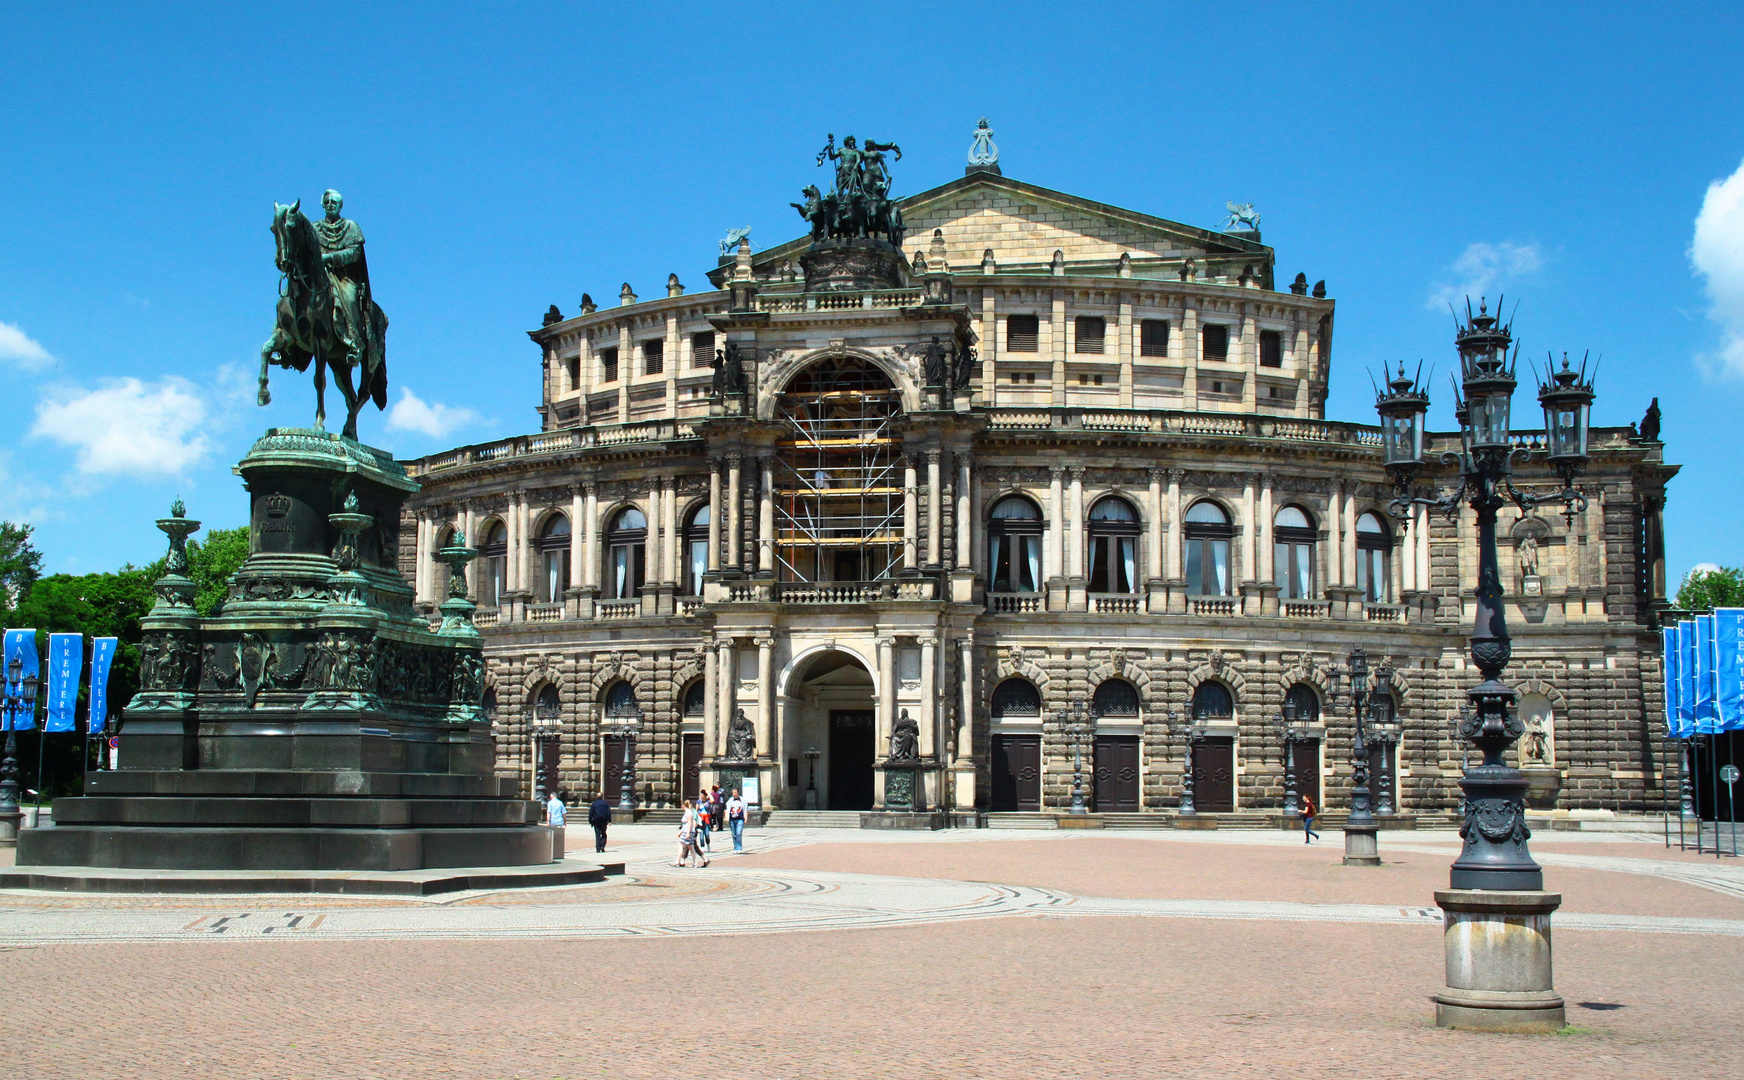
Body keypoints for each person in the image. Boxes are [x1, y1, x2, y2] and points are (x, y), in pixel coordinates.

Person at [726, 787, 747, 853]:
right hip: (732, 819)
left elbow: (745, 809)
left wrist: (745, 818)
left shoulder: (742, 800)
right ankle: (735, 848)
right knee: (734, 834)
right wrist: (727, 817)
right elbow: (727, 809)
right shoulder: (730, 800)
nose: (734, 794)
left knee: (738, 833)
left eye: (735, 793)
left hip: (740, 819)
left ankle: (739, 848)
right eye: (733, 793)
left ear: (738, 793)